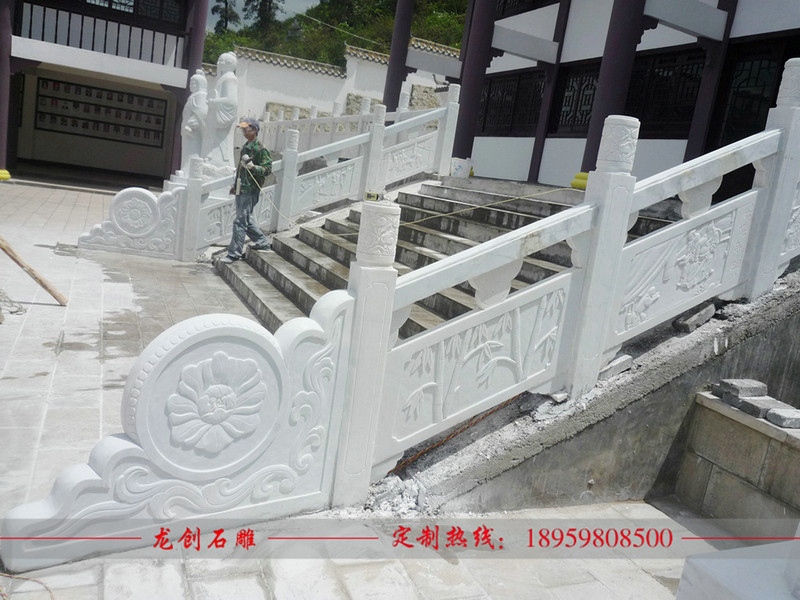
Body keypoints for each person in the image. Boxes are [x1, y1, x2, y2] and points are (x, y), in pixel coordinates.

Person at [219, 118, 272, 263]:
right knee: (245, 219)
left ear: (254, 130)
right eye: (242, 128)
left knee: (240, 221)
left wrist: (254, 167)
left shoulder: (260, 149)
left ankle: (234, 253)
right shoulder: (246, 146)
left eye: (246, 128)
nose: (243, 131)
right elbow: (241, 169)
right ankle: (262, 242)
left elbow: (267, 169)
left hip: (250, 189)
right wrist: (235, 185)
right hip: (241, 187)